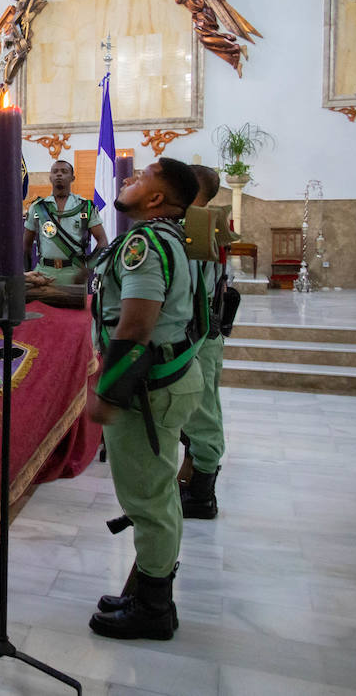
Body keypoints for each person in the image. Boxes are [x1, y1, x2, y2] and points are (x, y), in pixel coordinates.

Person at [86, 157, 204, 641]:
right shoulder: (169, 237)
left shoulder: (144, 242)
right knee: (155, 493)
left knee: (149, 499)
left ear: (156, 199)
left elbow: (136, 323)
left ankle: (154, 608)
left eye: (139, 177)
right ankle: (150, 592)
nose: (127, 179)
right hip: (169, 376)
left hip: (147, 388)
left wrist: (108, 392)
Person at [181, 165, 227, 520]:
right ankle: (197, 481)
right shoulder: (206, 220)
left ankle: (202, 494)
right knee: (202, 407)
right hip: (205, 331)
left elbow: (193, 290)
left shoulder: (196, 225)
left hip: (199, 334)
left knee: (201, 411)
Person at [24, 159, 108, 286]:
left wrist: (87, 268)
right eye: (55, 171)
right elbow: (26, 245)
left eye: (64, 171)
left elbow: (103, 242)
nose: (59, 174)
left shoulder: (85, 207)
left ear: (72, 178)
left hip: (74, 274)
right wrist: (27, 272)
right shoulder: (37, 208)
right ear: (50, 177)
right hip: (43, 274)